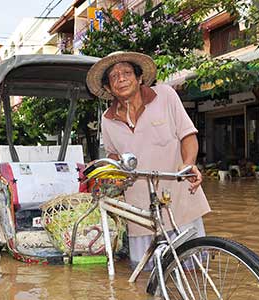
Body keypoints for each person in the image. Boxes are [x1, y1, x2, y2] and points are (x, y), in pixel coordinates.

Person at [86, 51, 211, 270]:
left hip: (179, 196)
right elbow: (115, 157)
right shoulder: (107, 120)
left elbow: (187, 135)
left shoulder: (165, 95)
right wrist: (110, 177)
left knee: (193, 269)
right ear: (108, 88)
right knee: (146, 275)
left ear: (139, 77)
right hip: (140, 210)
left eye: (126, 73)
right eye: (114, 77)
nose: (121, 79)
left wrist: (189, 162)